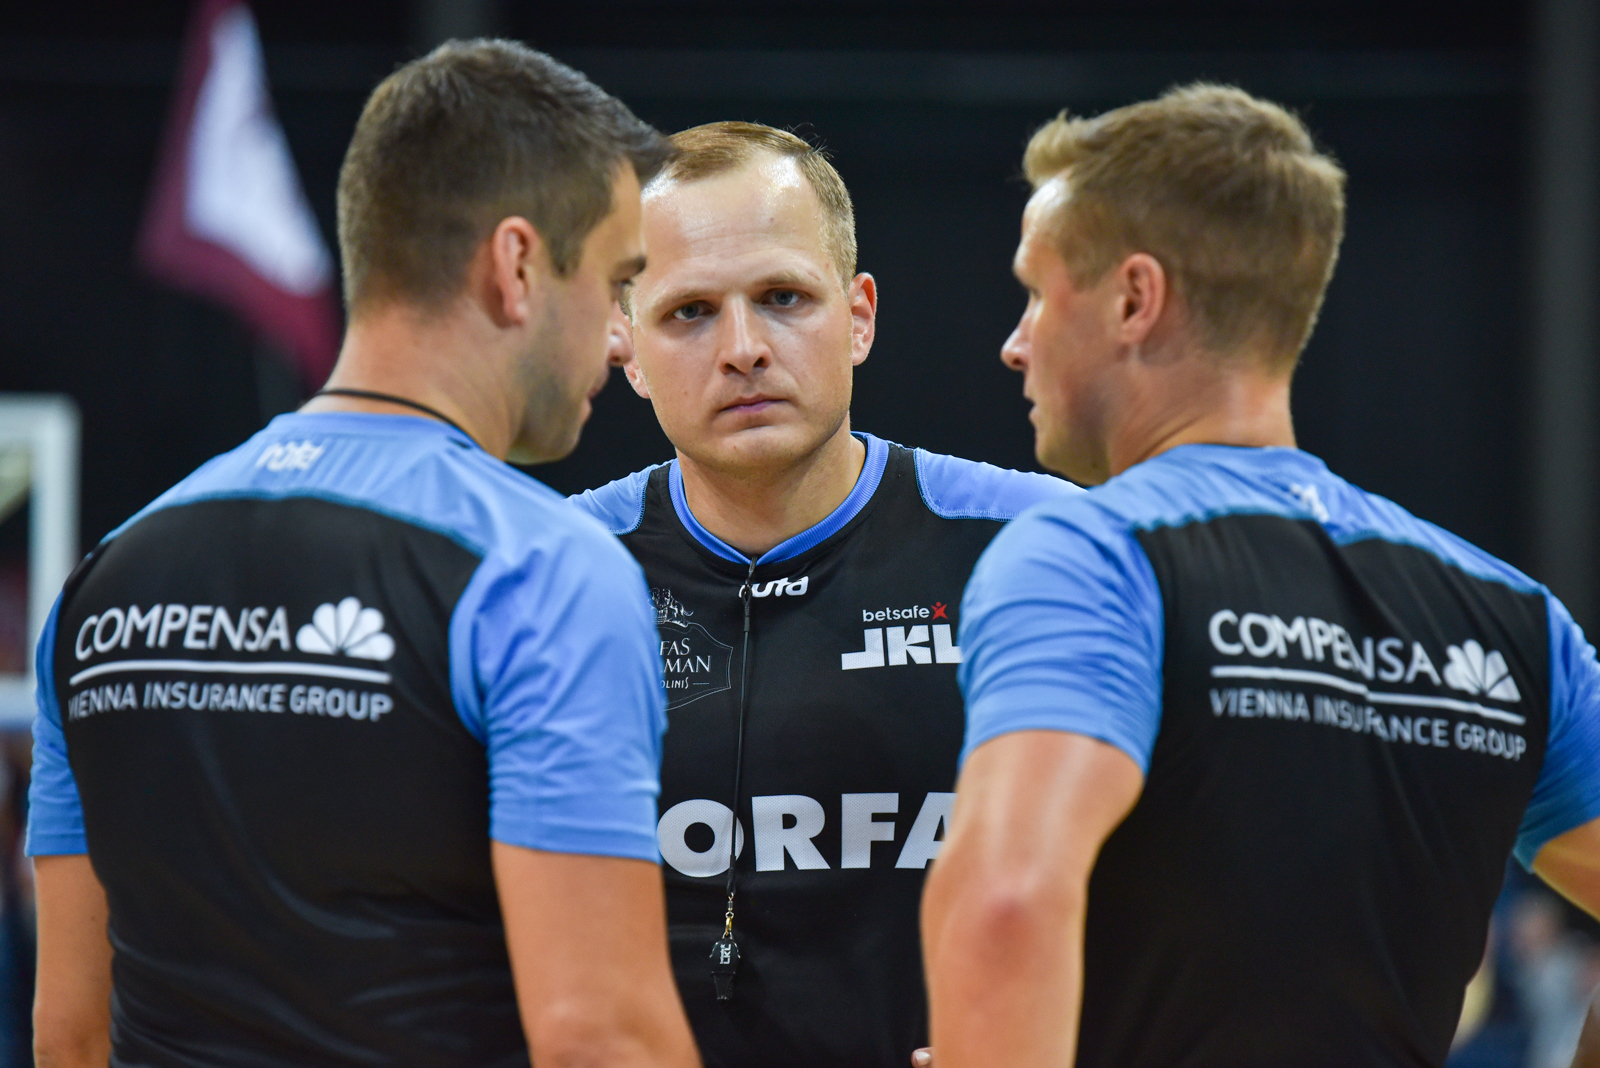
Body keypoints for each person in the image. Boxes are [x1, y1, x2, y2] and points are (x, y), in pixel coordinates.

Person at [27, 41, 700, 1068]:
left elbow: (70, 1034)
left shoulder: (103, 581)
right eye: (614, 283)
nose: (620, 338)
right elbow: (600, 1037)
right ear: (517, 267)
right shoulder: (543, 571)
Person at [921, 83, 1600, 1068]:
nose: (1015, 343)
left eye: (1036, 291)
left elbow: (1008, 901)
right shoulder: (1514, 617)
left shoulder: (1088, 556)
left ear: (1133, 299)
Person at [569, 122, 1072, 1068]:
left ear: (859, 316)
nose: (743, 349)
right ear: (624, 346)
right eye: (689, 312)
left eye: (783, 298)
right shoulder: (546, 573)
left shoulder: (1048, 548)